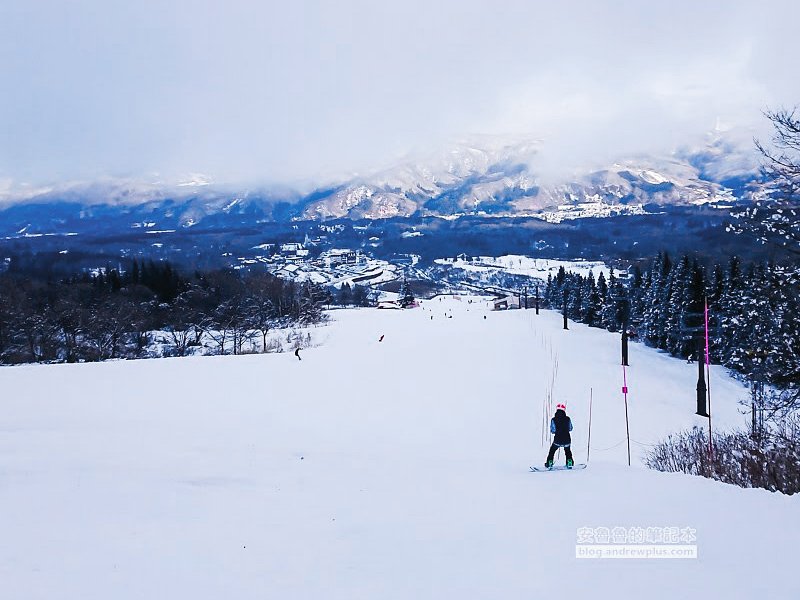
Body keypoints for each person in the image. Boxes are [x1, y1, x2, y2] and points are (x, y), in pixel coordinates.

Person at [545, 403, 574, 468]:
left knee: (552, 451)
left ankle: (549, 462)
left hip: (557, 440)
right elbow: (570, 428)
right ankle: (569, 462)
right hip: (567, 439)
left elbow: (553, 430)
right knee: (567, 451)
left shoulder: (553, 419)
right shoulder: (568, 419)